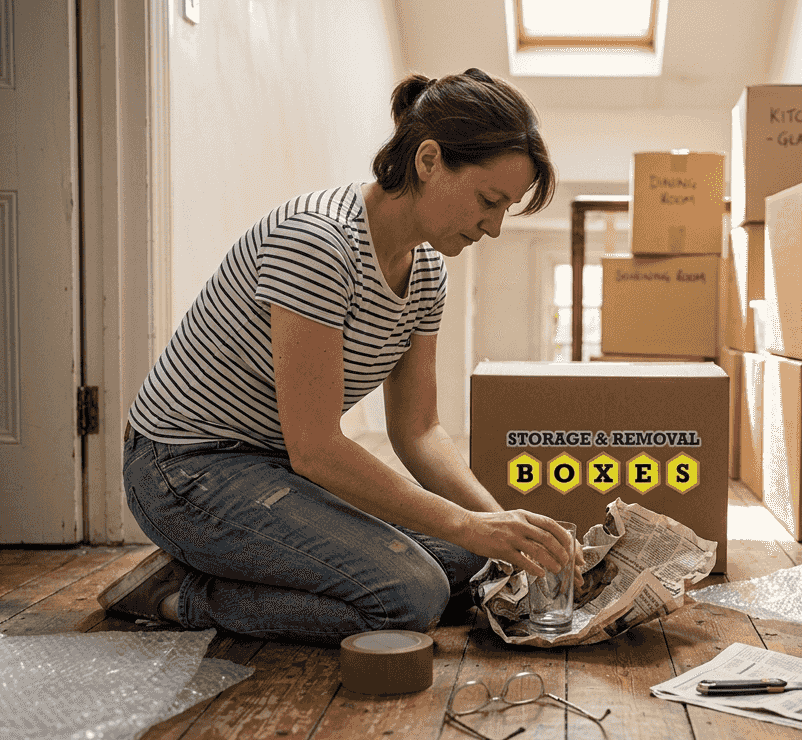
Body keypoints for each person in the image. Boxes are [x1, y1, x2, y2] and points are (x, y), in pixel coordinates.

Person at [98, 68, 579, 644]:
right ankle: (181, 593)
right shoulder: (319, 243)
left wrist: (501, 529)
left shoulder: (426, 272)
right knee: (413, 596)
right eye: (488, 201)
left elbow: (419, 430)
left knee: (470, 564)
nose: (496, 228)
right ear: (428, 160)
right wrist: (469, 525)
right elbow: (317, 449)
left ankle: (233, 558)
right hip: (183, 471)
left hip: (271, 471)